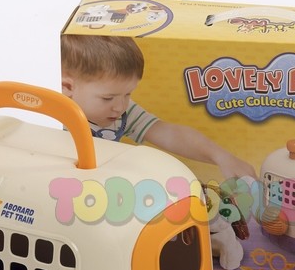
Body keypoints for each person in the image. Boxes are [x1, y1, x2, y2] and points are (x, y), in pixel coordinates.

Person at [60, 34, 256, 180]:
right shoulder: (56, 119)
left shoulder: (123, 114)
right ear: (67, 87)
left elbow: (170, 134)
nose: (119, 106)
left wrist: (221, 156)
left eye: (128, 94)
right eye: (108, 98)